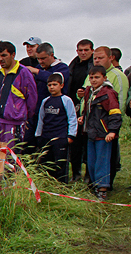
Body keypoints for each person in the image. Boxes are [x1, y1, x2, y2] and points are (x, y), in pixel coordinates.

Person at [0, 41, 37, 174]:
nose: (0, 59)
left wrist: (24, 117)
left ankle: (13, 186)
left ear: (13, 55)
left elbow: (32, 99)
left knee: (11, 157)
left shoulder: (23, 73)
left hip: (14, 123)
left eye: (4, 55)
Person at [80, 66, 122, 200]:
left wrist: (113, 131)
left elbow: (115, 113)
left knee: (102, 161)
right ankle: (94, 184)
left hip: (103, 134)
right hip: (90, 132)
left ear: (104, 78)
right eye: (91, 77)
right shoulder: (89, 91)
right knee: (91, 160)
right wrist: (83, 117)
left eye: (97, 77)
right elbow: (87, 109)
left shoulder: (108, 93)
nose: (93, 80)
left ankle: (103, 187)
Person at [35, 73, 77, 183]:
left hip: (61, 138)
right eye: (49, 85)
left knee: (60, 164)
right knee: (45, 163)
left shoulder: (66, 100)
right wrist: (38, 135)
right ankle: (47, 183)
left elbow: (72, 118)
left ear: (61, 85)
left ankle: (61, 185)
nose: (52, 87)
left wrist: (71, 135)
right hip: (46, 137)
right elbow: (41, 119)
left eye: (55, 84)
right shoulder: (45, 101)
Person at [68, 39, 93, 182]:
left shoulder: (94, 66)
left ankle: (89, 175)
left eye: (86, 50)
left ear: (92, 50)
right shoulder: (73, 64)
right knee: (75, 143)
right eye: (80, 50)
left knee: (88, 143)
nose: (83, 53)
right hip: (73, 107)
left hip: (89, 109)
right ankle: (75, 173)